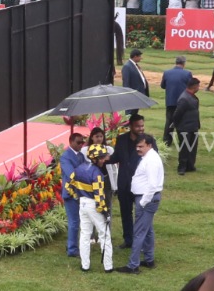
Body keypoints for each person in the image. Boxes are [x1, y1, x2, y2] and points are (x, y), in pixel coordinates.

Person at [120, 134, 163, 274]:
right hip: (147, 197)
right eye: (137, 146)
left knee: (138, 232)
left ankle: (133, 265)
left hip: (146, 198)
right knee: (148, 230)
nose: (138, 149)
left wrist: (143, 202)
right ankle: (149, 260)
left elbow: (152, 185)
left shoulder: (151, 160)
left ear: (149, 145)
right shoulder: (149, 157)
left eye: (141, 146)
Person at [112, 115, 155, 250]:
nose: (141, 128)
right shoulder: (121, 139)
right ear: (130, 126)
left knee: (140, 214)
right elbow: (116, 157)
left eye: (142, 125)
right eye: (138, 126)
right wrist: (102, 159)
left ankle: (140, 241)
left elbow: (154, 159)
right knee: (125, 213)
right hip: (124, 184)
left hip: (141, 186)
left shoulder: (149, 140)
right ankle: (128, 239)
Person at [69, 145, 114, 273]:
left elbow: (68, 185)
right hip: (94, 205)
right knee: (104, 235)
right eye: (101, 158)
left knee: (84, 235)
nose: (104, 160)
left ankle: (85, 265)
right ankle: (108, 266)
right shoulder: (97, 174)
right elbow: (99, 197)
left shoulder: (78, 169)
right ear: (94, 159)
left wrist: (77, 197)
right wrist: (105, 212)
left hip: (82, 203)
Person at [59, 131, 88, 259]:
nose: (81, 144)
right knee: (74, 222)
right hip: (71, 194)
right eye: (78, 142)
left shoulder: (81, 156)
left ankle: (73, 246)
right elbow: (71, 174)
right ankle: (72, 249)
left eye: (82, 142)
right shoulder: (65, 157)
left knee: (79, 221)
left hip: (80, 193)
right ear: (71, 142)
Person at [160, 56, 192, 148]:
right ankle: (182, 141)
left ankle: (166, 141)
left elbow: (162, 86)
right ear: (184, 63)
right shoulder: (187, 74)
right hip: (182, 103)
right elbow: (191, 87)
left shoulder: (167, 73)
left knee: (169, 122)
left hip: (170, 102)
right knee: (182, 122)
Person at [174, 77, 202, 174]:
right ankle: (181, 167)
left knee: (192, 147)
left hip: (193, 126)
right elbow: (177, 114)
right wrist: (178, 126)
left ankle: (190, 166)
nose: (199, 88)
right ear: (194, 87)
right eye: (198, 86)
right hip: (184, 128)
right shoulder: (184, 98)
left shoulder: (191, 96)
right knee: (184, 148)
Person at [121, 48, 149, 116]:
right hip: (132, 95)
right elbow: (126, 82)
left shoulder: (135, 65)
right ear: (135, 56)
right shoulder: (127, 66)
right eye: (139, 56)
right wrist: (128, 94)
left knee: (135, 113)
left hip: (138, 94)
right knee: (130, 113)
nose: (141, 58)